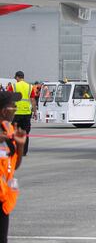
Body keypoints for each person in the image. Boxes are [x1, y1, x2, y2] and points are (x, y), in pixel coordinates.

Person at [0, 91, 27, 243]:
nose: (16, 108)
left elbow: (14, 165)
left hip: (3, 199)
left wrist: (20, 146)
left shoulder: (8, 131)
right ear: (4, 111)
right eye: (13, 106)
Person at [11, 72, 34, 156]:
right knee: (25, 133)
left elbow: (9, 99)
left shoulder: (13, 86)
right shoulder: (30, 87)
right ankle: (24, 152)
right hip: (27, 114)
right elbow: (33, 100)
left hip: (16, 114)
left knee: (14, 133)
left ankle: (15, 151)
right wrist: (34, 110)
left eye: (15, 78)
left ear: (17, 77)